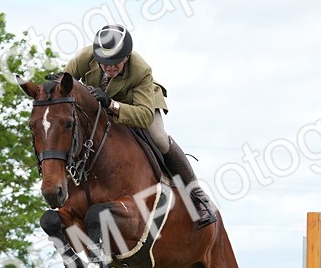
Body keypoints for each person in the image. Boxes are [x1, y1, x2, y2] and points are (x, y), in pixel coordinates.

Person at [63, 24, 218, 228]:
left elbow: (144, 116)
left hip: (138, 105)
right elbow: (63, 85)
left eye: (116, 63)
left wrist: (111, 104)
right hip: (100, 106)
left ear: (126, 57)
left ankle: (197, 195)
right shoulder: (86, 57)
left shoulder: (141, 69)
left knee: (159, 137)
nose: (110, 68)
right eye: (104, 63)